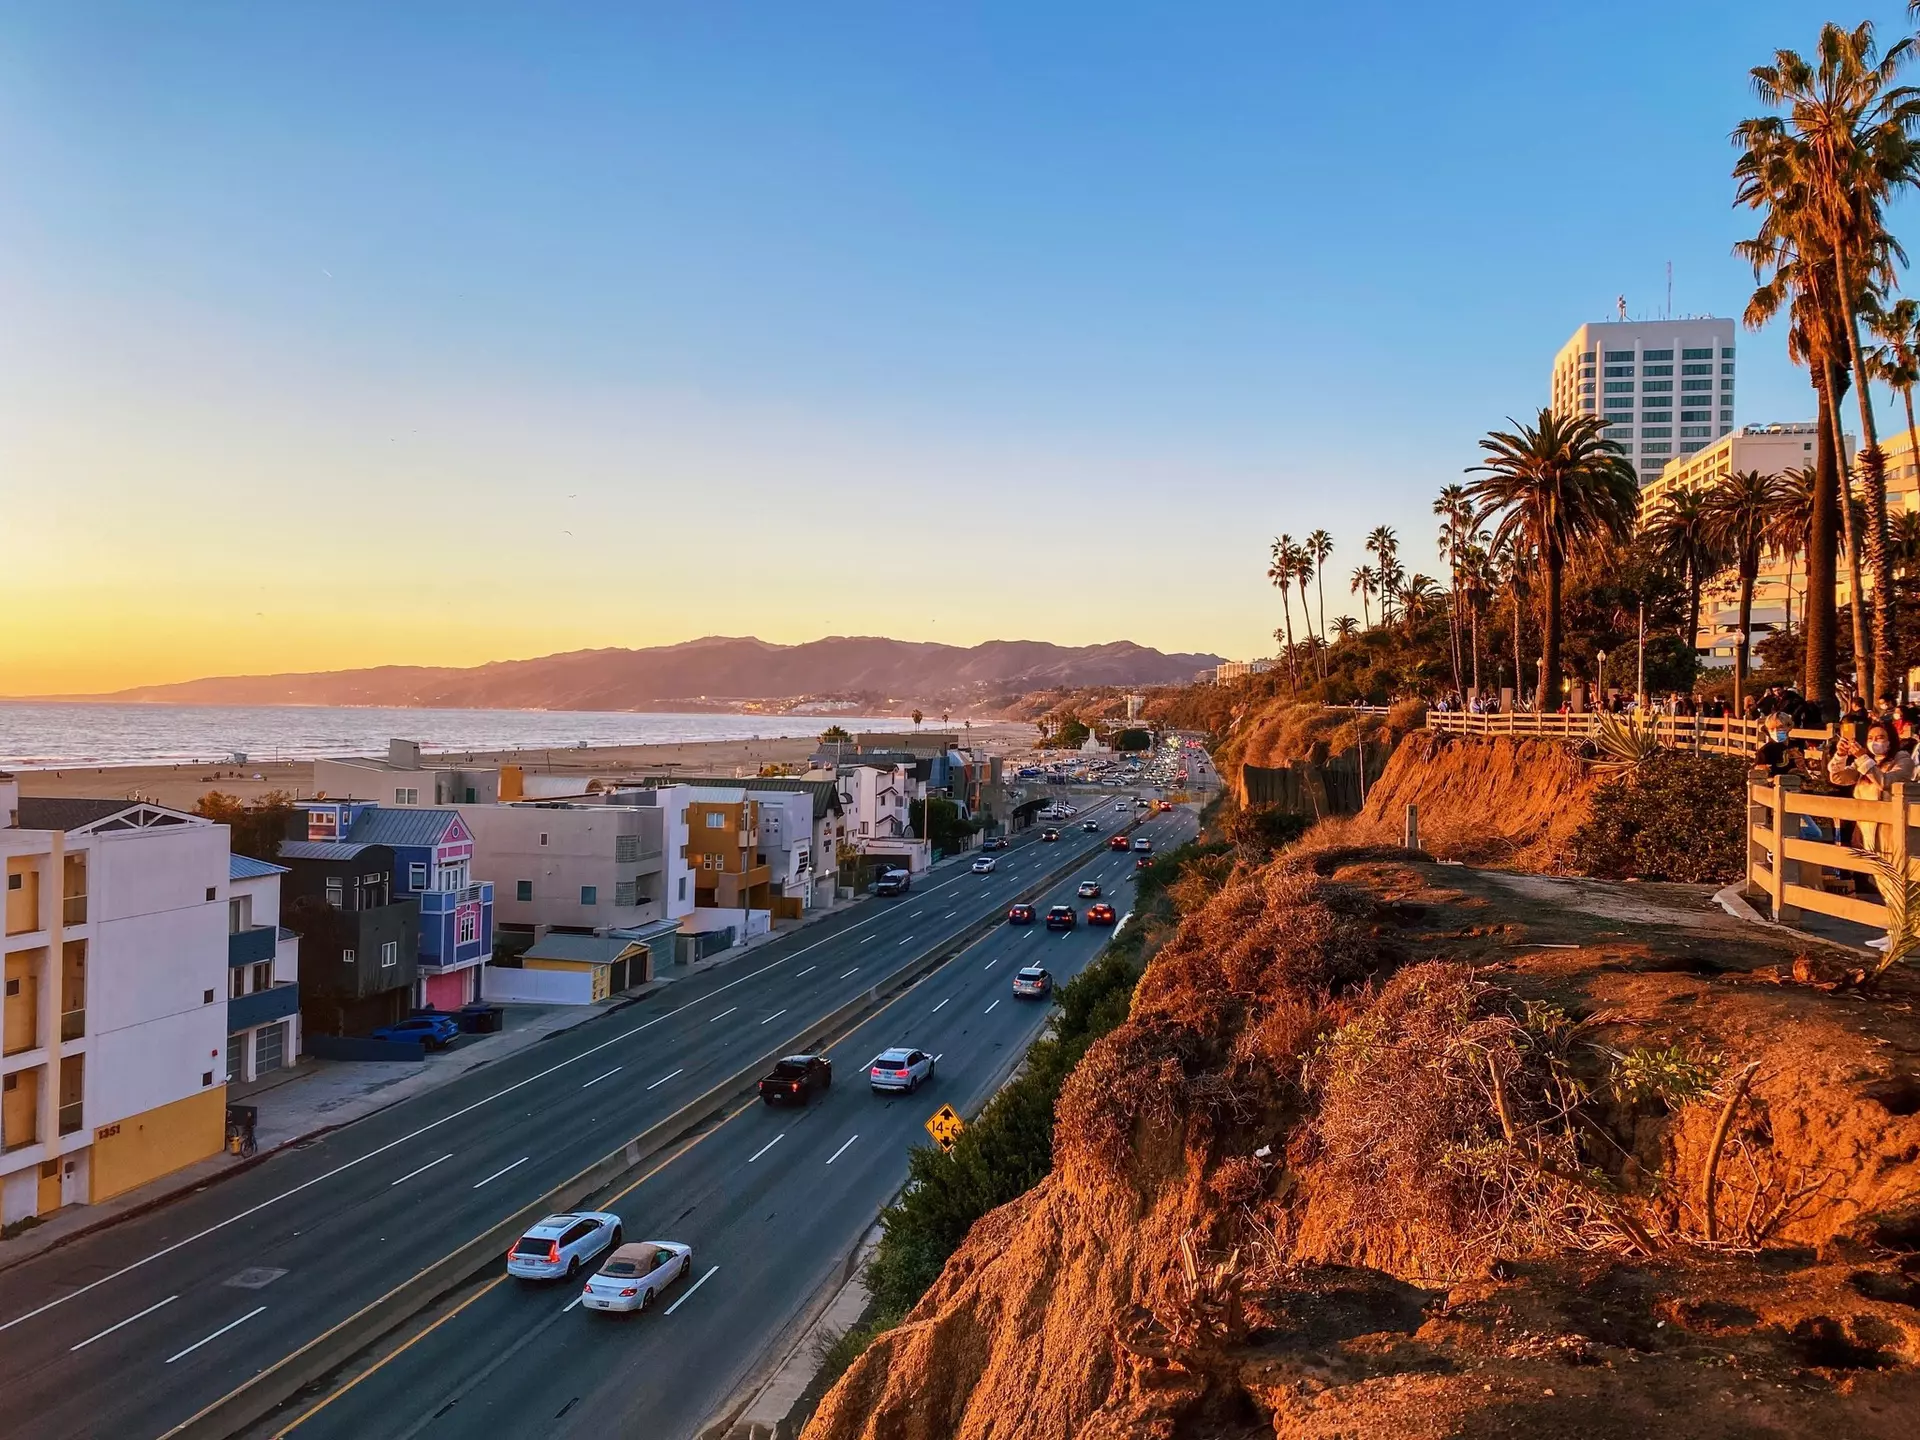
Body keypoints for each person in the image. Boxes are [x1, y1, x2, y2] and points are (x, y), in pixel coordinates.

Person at [1829, 719, 1915, 856]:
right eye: (1870, 738)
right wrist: (1840, 755)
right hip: (1864, 830)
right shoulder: (1866, 762)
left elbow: (1885, 783)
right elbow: (1838, 778)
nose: (1874, 742)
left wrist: (1862, 757)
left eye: (1880, 738)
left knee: (1890, 874)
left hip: (1890, 831)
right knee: (1865, 873)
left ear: (1891, 740)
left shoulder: (1903, 760)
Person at [1752, 713, 1807, 778]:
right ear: (1768, 731)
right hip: (1775, 784)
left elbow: (1803, 769)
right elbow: (1756, 772)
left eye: (1780, 727)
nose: (1776, 731)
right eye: (1772, 729)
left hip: (1798, 783)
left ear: (1789, 727)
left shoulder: (1796, 745)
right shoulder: (1766, 750)